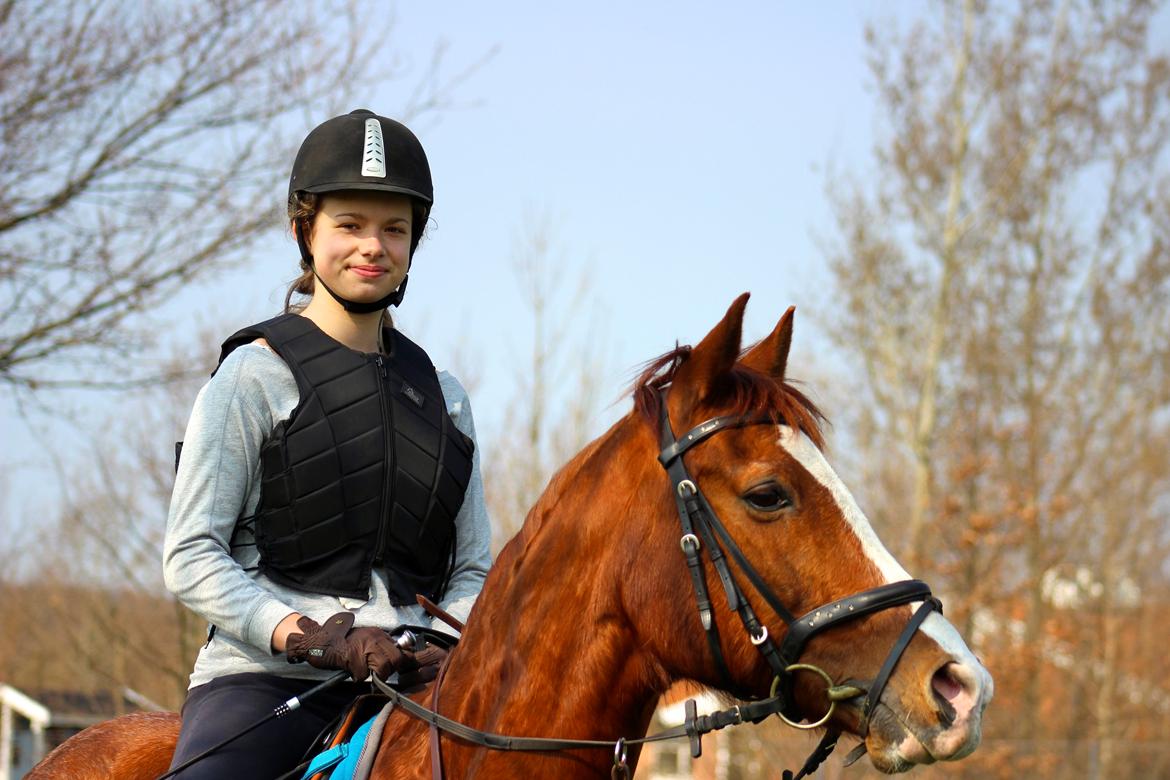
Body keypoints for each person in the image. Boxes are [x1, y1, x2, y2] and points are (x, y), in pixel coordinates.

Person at [162, 109, 493, 778]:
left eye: (393, 229)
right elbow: (191, 555)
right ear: (303, 232)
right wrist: (310, 636)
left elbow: (475, 567)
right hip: (266, 685)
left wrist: (436, 641)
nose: (372, 246)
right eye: (349, 225)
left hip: (416, 688)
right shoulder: (252, 376)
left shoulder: (447, 395)